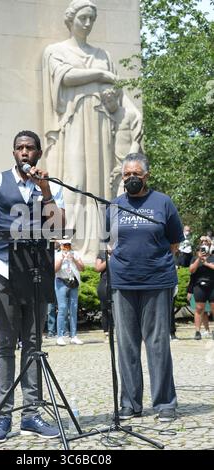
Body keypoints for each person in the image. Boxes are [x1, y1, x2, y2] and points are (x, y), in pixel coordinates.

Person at [0, 130, 65, 444]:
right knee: (5, 344)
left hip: (37, 271)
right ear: (13, 152)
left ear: (39, 153)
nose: (24, 152)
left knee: (33, 344)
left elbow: (57, 229)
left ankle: (31, 415)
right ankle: (3, 417)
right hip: (3, 270)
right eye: (19, 148)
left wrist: (46, 190)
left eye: (30, 148)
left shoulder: (49, 186)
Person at [42, 0, 142, 259]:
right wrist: (100, 75)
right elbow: (64, 77)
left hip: (100, 124)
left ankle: (98, 247)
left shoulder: (103, 54)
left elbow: (119, 96)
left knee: (99, 187)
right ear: (70, 20)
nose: (87, 24)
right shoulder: (56, 51)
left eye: (91, 19)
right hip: (73, 122)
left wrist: (131, 115)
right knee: (73, 180)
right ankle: (68, 246)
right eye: (82, 18)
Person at [106, 153, 184, 423]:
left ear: (146, 176)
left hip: (157, 281)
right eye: (126, 174)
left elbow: (175, 242)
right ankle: (130, 404)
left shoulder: (163, 203)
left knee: (158, 343)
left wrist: (152, 260)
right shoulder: (113, 206)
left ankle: (164, 403)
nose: (130, 178)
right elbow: (109, 241)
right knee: (126, 345)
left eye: (135, 174)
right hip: (123, 282)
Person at [55, 240, 84, 346]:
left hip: (73, 282)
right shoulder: (57, 255)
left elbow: (82, 268)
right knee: (62, 308)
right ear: (61, 246)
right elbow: (54, 269)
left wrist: (74, 260)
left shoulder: (75, 254)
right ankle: (60, 336)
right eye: (65, 245)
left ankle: (74, 335)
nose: (67, 247)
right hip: (61, 281)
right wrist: (62, 258)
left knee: (74, 309)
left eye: (68, 245)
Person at [189, 236, 214, 340]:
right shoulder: (195, 258)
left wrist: (206, 263)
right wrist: (199, 259)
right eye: (202, 242)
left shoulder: (212, 256)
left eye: (206, 241)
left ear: (210, 244)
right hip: (199, 286)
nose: (204, 243)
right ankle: (197, 331)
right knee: (199, 308)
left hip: (212, 285)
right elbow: (191, 270)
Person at [95, 247, 112, 343]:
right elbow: (97, 268)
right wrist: (109, 259)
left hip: (117, 283)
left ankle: (118, 332)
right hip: (105, 283)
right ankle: (106, 333)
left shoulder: (120, 252)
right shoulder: (102, 253)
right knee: (105, 309)